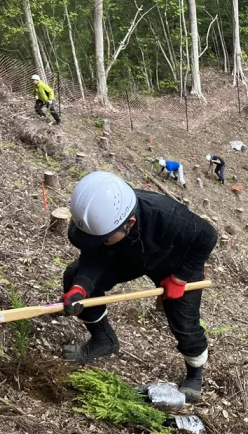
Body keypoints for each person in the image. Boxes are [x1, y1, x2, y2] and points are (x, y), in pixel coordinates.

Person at [60, 172, 218, 402]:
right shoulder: (102, 224)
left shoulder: (167, 215)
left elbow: (208, 237)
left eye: (103, 239)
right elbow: (93, 258)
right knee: (74, 275)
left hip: (175, 261)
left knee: (185, 322)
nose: (98, 242)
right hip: (129, 254)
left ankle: (195, 373)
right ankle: (104, 340)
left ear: (129, 223)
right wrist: (80, 289)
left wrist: (181, 277)